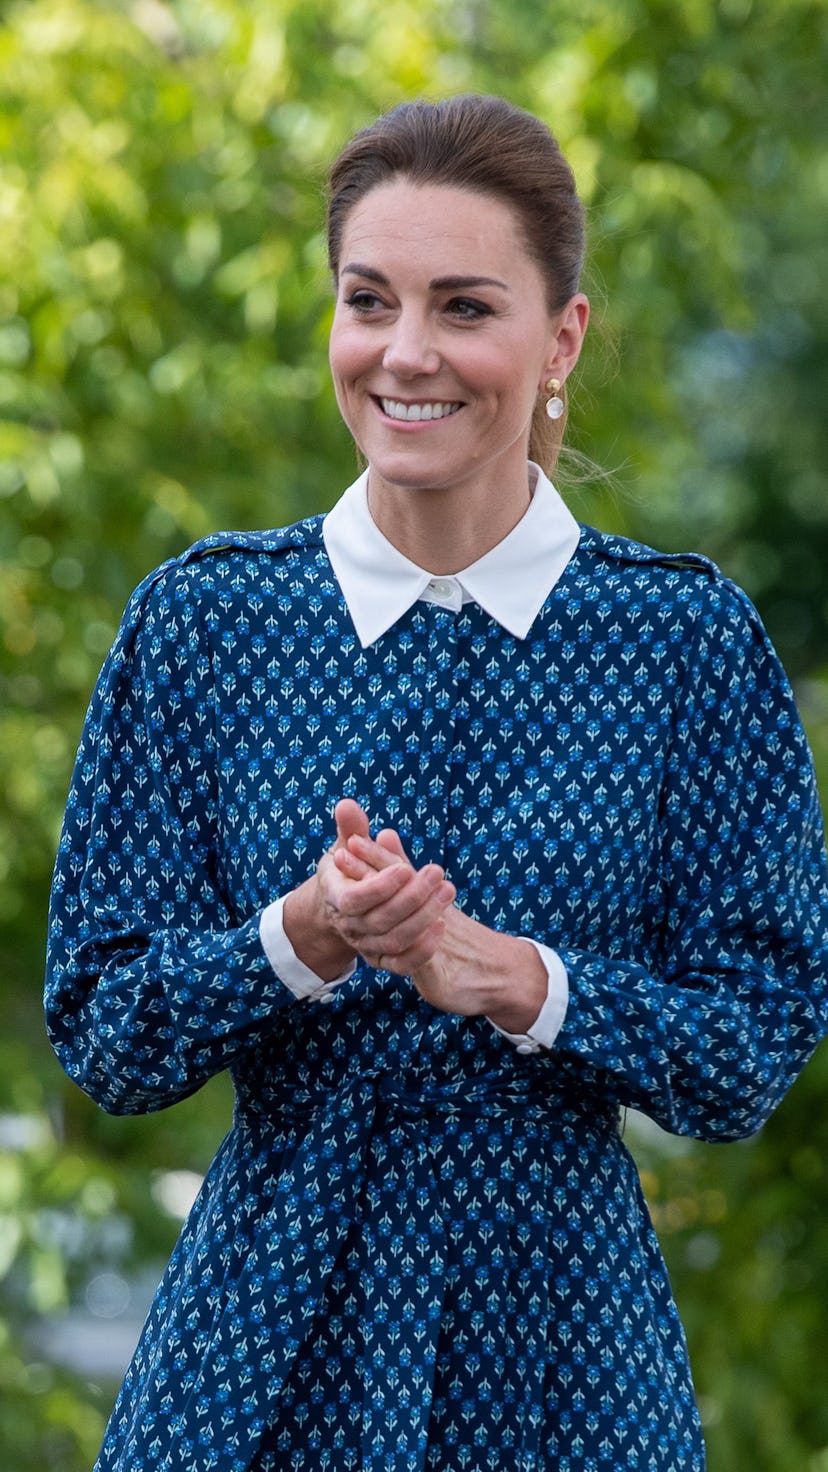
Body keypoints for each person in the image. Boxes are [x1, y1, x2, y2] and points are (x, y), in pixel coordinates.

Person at [45, 94, 828, 1472]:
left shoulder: (685, 646)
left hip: (567, 1361)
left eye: (465, 306)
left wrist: (514, 978)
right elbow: (105, 1030)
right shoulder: (206, 623)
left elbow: (753, 1047)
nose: (406, 354)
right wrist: (297, 939)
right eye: (368, 300)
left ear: (561, 338)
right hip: (255, 1354)